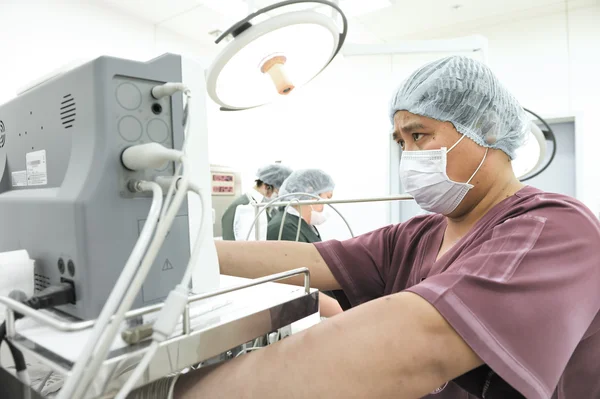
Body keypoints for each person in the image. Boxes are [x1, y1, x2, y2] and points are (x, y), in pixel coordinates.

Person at [131, 56, 600, 399]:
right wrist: (171, 246)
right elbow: (310, 261)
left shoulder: (556, 229)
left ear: (490, 131)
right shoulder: (418, 235)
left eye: (420, 135)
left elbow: (420, 344)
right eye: (401, 141)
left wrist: (170, 392)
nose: (409, 156)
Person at [266, 168, 342, 317]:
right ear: (310, 194)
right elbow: (295, 285)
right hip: (304, 312)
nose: (324, 206)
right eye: (325, 198)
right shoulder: (283, 226)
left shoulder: (304, 224)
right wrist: (340, 311)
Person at [221, 163, 292, 241]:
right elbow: (236, 244)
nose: (279, 195)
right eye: (278, 190)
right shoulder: (244, 207)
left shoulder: (270, 209)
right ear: (267, 186)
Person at [266, 168, 334, 243]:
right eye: (328, 197)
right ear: (309, 192)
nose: (327, 202)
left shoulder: (301, 224)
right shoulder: (284, 227)